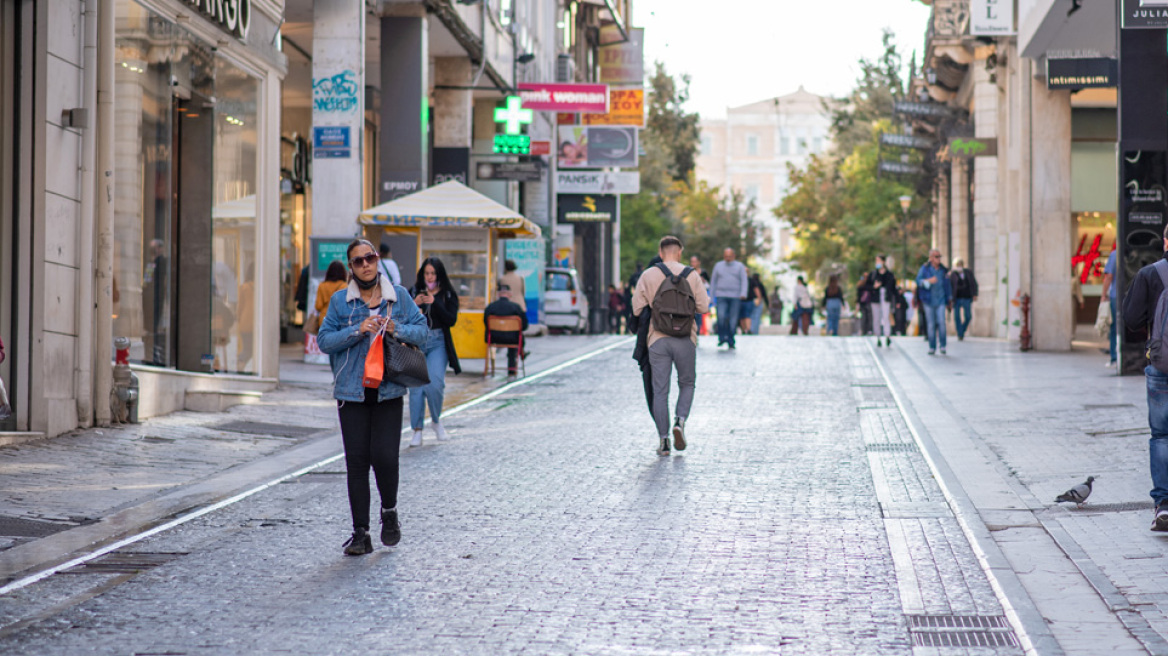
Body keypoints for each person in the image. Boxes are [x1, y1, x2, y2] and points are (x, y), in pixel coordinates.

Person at [316, 239, 429, 555]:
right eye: (358, 261)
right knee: (356, 462)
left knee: (385, 457)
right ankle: (360, 533)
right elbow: (324, 341)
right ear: (350, 267)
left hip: (388, 390)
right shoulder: (341, 302)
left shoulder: (399, 298)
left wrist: (396, 328)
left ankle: (389, 512)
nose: (365, 264)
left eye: (370, 257)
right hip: (351, 393)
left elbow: (423, 332)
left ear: (378, 261)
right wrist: (357, 330)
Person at [632, 236, 710, 456]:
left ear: (660, 251)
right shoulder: (691, 274)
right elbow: (704, 307)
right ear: (680, 252)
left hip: (658, 339)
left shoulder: (648, 274)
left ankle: (664, 440)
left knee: (660, 391)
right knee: (687, 383)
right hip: (686, 339)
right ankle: (680, 421)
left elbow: (637, 309)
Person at [1122, 226, 1168, 531]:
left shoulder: (1150, 274)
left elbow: (1131, 319)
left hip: (1162, 366)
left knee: (1162, 435)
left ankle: (1164, 505)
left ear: (1165, 242)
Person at [408, 257, 461, 447]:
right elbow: (402, 315)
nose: (429, 277)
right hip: (417, 341)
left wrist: (435, 302)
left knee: (435, 383)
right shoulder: (413, 292)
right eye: (426, 273)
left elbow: (451, 320)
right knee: (416, 387)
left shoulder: (447, 294)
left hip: (438, 341)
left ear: (439, 275)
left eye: (433, 274)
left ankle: (436, 421)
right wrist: (415, 303)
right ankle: (417, 430)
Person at [484, 284, 528, 376]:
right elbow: (524, 326)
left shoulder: (490, 307)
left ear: (498, 294)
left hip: (494, 338)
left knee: (511, 337)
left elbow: (485, 322)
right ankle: (512, 369)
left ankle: (491, 369)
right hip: (513, 338)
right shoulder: (516, 307)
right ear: (510, 294)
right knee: (515, 339)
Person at [708, 247, 749, 349]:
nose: (728, 258)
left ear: (734, 256)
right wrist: (712, 297)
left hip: (735, 296)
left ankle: (731, 339)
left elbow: (744, 280)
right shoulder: (718, 266)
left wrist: (743, 293)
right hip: (721, 295)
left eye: (730, 256)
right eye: (726, 256)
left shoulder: (739, 266)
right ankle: (722, 338)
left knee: (733, 320)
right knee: (721, 317)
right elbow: (713, 282)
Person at [916, 249, 953, 355]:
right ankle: (932, 347)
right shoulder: (925, 269)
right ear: (931, 258)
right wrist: (928, 281)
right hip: (928, 301)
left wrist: (949, 298)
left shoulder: (943, 270)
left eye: (939, 256)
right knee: (931, 325)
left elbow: (947, 285)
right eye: (936, 257)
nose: (938, 259)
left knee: (942, 323)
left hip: (941, 300)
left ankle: (943, 345)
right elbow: (918, 281)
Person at [949, 258, 979, 341]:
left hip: (967, 298)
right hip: (957, 298)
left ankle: (962, 330)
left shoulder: (968, 272)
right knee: (957, 317)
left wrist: (975, 294)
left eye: (960, 265)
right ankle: (960, 334)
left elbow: (974, 283)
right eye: (957, 265)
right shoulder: (953, 275)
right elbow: (950, 286)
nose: (959, 267)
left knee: (968, 316)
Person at [870, 255, 897, 347]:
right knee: (876, 318)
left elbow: (893, 288)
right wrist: (874, 287)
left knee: (886, 317)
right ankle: (878, 336)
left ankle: (887, 336)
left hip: (885, 298)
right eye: (876, 261)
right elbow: (867, 286)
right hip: (875, 299)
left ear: (883, 262)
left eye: (878, 260)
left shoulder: (889, 275)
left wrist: (896, 301)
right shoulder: (873, 274)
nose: (877, 263)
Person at [1102, 249, 1118, 367]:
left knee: (1114, 327)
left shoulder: (1114, 254)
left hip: (1116, 296)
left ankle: (1114, 357)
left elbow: (1109, 276)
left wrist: (1103, 295)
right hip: (1131, 294)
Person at [690, 255, 711, 334]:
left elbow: (709, 285)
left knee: (700, 314)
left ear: (699, 262)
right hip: (691, 296)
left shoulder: (704, 272)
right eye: (692, 262)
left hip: (701, 296)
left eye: (695, 262)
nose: (693, 263)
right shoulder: (689, 271)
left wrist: (704, 281)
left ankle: (698, 331)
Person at [856, 271, 873, 336]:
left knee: (866, 317)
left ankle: (866, 330)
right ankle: (866, 330)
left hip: (866, 303)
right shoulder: (865, 285)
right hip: (865, 303)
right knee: (866, 317)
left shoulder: (861, 285)